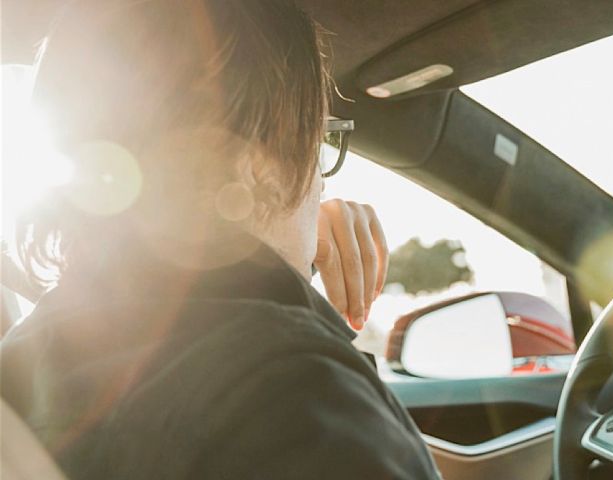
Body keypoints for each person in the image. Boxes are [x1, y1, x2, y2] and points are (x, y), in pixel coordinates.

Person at [0, 1, 441, 478]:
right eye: (319, 146)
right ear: (254, 172)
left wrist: (278, 276)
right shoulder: (291, 394)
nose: (324, 186)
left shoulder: (29, 356)